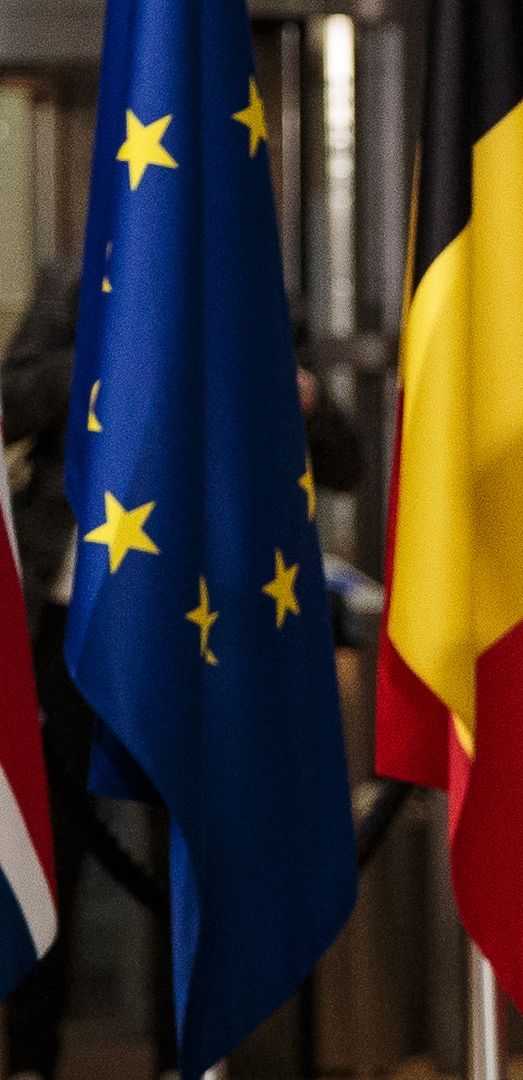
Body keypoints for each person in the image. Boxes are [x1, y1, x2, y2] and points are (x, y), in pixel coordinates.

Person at [1, 258, 360, 1080]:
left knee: (191, 850)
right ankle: (28, 1058)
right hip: (69, 618)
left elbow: (344, 459)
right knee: (54, 846)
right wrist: (107, 352)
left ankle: (189, 1057)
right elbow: (10, 402)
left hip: (197, 624)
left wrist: (294, 392)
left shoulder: (255, 283)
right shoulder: (72, 280)